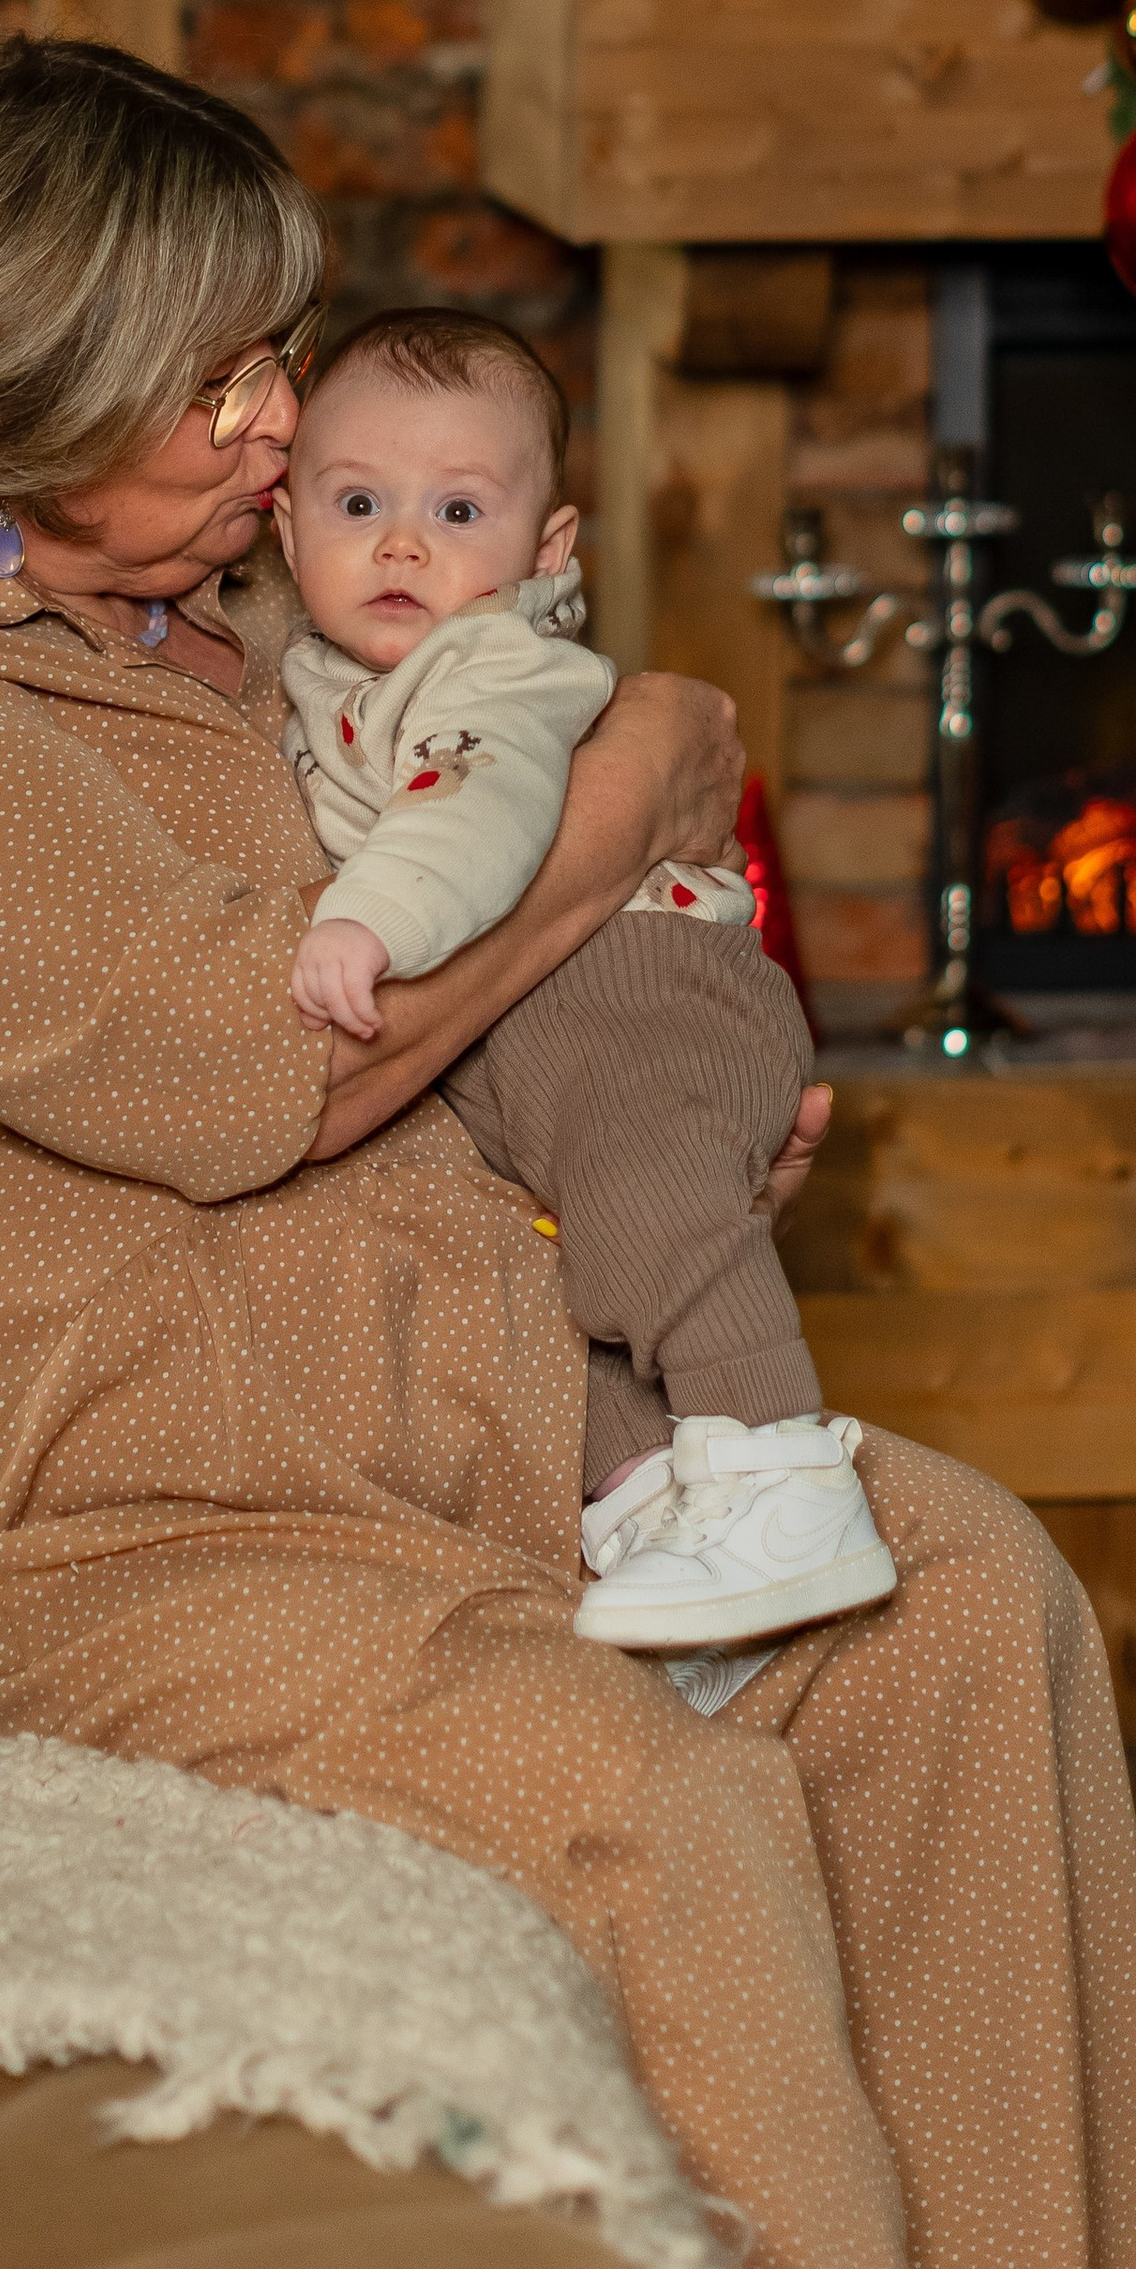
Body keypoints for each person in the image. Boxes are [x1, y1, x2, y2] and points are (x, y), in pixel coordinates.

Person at [0, 33, 1136, 2269]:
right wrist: (633, 799)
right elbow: (256, 1075)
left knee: (959, 1596)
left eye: (276, 352)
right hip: (20, 1516)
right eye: (215, 382)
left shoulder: (227, 613)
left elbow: (454, 1003)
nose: (279, 424)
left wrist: (639, 1177)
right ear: (18, 389)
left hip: (415, 1422)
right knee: (636, 1801)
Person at [275, 300, 893, 1666]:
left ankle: (781, 1463)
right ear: (285, 525)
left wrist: (363, 924)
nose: (401, 545)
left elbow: (475, 808)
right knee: (550, 1268)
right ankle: (652, 1500)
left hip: (644, 979)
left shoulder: (493, 661)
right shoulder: (314, 674)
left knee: (641, 1185)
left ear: (547, 552)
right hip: (514, 1029)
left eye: (458, 511)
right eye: (360, 503)